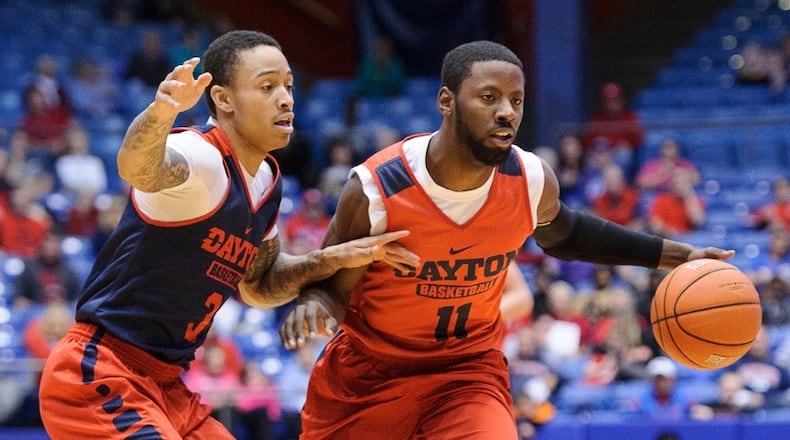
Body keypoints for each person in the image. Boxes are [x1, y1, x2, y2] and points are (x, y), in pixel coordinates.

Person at [278, 40, 733, 439]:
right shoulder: (379, 188)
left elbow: (571, 235)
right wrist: (315, 304)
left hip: (466, 374)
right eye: (489, 97)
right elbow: (330, 283)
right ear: (446, 101)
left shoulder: (530, 177)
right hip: (368, 378)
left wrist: (679, 255)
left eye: (516, 100)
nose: (506, 112)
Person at [38, 30, 418, 440]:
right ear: (223, 99)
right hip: (101, 371)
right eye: (268, 86)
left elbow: (260, 286)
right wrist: (161, 114)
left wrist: (334, 258)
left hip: (166, 386)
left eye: (289, 86)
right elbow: (137, 169)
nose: (286, 99)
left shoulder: (267, 181)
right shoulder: (202, 157)